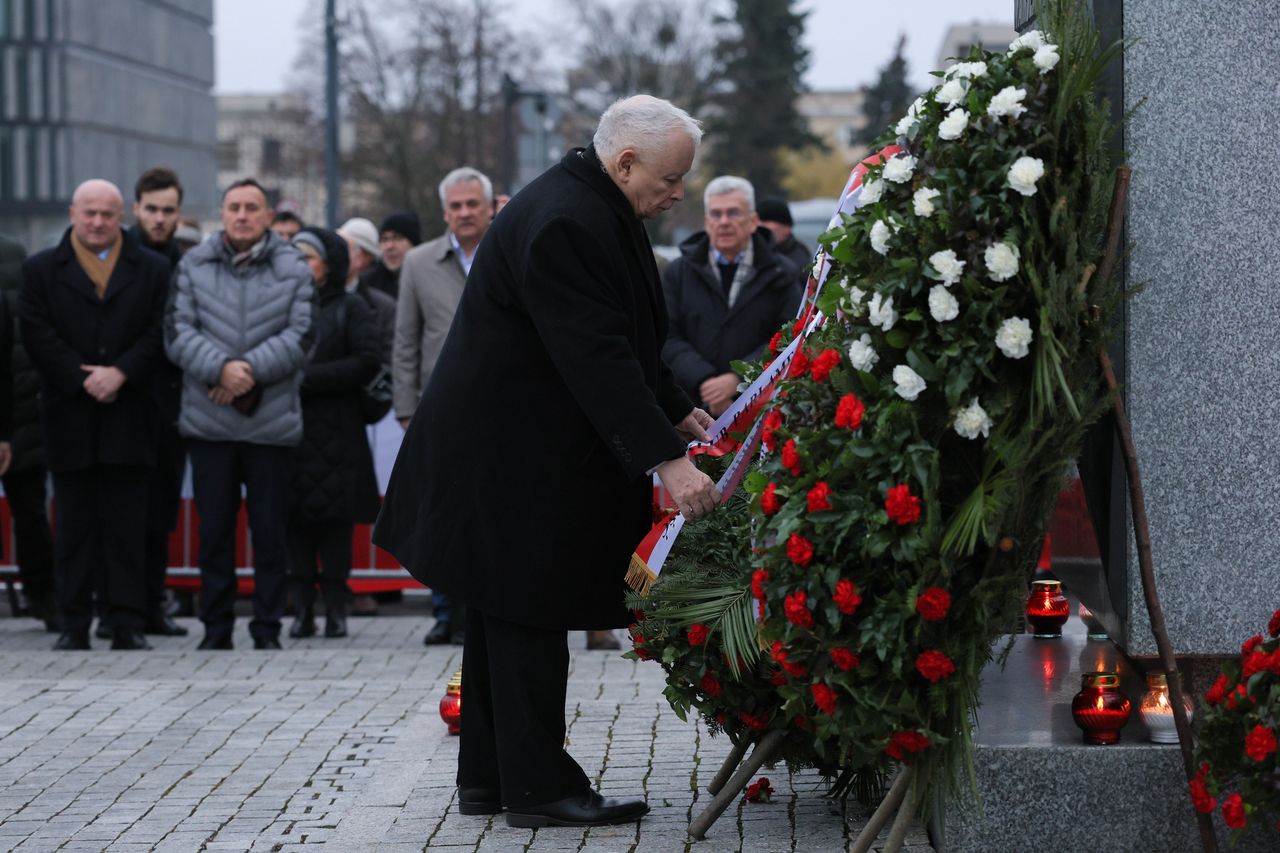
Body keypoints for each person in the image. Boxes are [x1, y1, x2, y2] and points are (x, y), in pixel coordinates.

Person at [374, 95, 719, 827]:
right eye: (672, 177)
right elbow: (592, 353)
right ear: (626, 163)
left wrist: (673, 403)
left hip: (510, 451)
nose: (680, 192)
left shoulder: (591, 202)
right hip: (507, 457)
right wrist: (669, 460)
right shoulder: (568, 218)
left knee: (504, 612)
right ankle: (538, 787)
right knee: (528, 609)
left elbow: (621, 331)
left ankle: (490, 776)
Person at [165, 178, 315, 651]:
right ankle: (215, 627)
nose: (243, 215)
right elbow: (177, 331)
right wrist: (220, 369)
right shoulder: (192, 265)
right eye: (234, 207)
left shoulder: (295, 268)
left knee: (269, 533)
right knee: (213, 534)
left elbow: (303, 335)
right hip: (210, 424)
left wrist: (247, 372)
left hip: (271, 424)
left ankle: (267, 626)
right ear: (223, 213)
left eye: (253, 207)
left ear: (269, 216)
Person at [19, 179, 169, 651]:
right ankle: (75, 621)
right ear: (72, 213)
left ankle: (126, 620)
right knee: (75, 526)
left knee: (128, 524)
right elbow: (36, 333)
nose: (99, 223)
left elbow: (160, 330)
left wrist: (121, 372)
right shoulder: (42, 269)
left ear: (121, 214)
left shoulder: (152, 268)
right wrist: (82, 377)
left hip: (131, 412)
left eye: (107, 214)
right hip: (70, 414)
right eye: (90, 214)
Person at [391, 166, 494, 646]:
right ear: (444, 212)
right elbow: (405, 339)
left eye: (473, 203)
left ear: (490, 206)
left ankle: (488, 606)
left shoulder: (508, 251)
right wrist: (406, 406)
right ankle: (442, 612)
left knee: (490, 511)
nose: (465, 213)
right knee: (441, 511)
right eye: (456, 206)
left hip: (500, 405)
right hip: (438, 407)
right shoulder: (418, 262)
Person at [286, 228, 381, 640]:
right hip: (291, 428)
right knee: (295, 521)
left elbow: (365, 361)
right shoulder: (282, 306)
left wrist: (305, 378)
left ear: (330, 264)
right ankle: (302, 609)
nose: (300, 265)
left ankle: (337, 608)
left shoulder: (351, 306)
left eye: (308, 257)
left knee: (335, 525)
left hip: (338, 430)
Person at [661, 176, 802, 416]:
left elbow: (789, 336)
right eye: (716, 214)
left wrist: (736, 379)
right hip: (692, 411)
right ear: (706, 222)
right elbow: (667, 336)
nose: (724, 222)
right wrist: (704, 380)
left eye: (734, 213)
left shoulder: (782, 273)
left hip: (760, 410)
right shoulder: (679, 272)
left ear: (753, 220)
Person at [128, 166, 189, 637]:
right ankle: (123, 606)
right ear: (136, 209)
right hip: (126, 402)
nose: (160, 218)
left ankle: (151, 603)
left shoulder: (186, 263)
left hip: (171, 409)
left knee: (160, 516)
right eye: (152, 209)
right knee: (122, 513)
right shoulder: (122, 260)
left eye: (168, 210)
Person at [0, 234, 59, 632]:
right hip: (17, 404)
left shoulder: (15, 255)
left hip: (17, 406)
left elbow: (19, 336)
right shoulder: (16, 253)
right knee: (31, 511)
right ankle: (45, 597)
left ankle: (45, 595)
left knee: (31, 510)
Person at [362, 213, 421, 299]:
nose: (389, 246)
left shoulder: (429, 280)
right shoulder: (367, 285)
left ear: (413, 244)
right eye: (384, 239)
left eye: (397, 238)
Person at [756, 196, 813, 276]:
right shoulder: (753, 252)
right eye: (755, 221)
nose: (758, 226)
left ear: (786, 229)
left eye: (765, 221)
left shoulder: (798, 261)